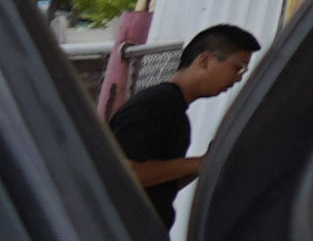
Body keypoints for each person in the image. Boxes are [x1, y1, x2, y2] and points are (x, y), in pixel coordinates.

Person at [107, 23, 258, 225]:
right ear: (205, 60)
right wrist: (201, 163)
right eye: (237, 68)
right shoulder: (157, 103)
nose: (239, 78)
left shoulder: (174, 109)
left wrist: (205, 165)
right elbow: (122, 173)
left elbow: (159, 184)